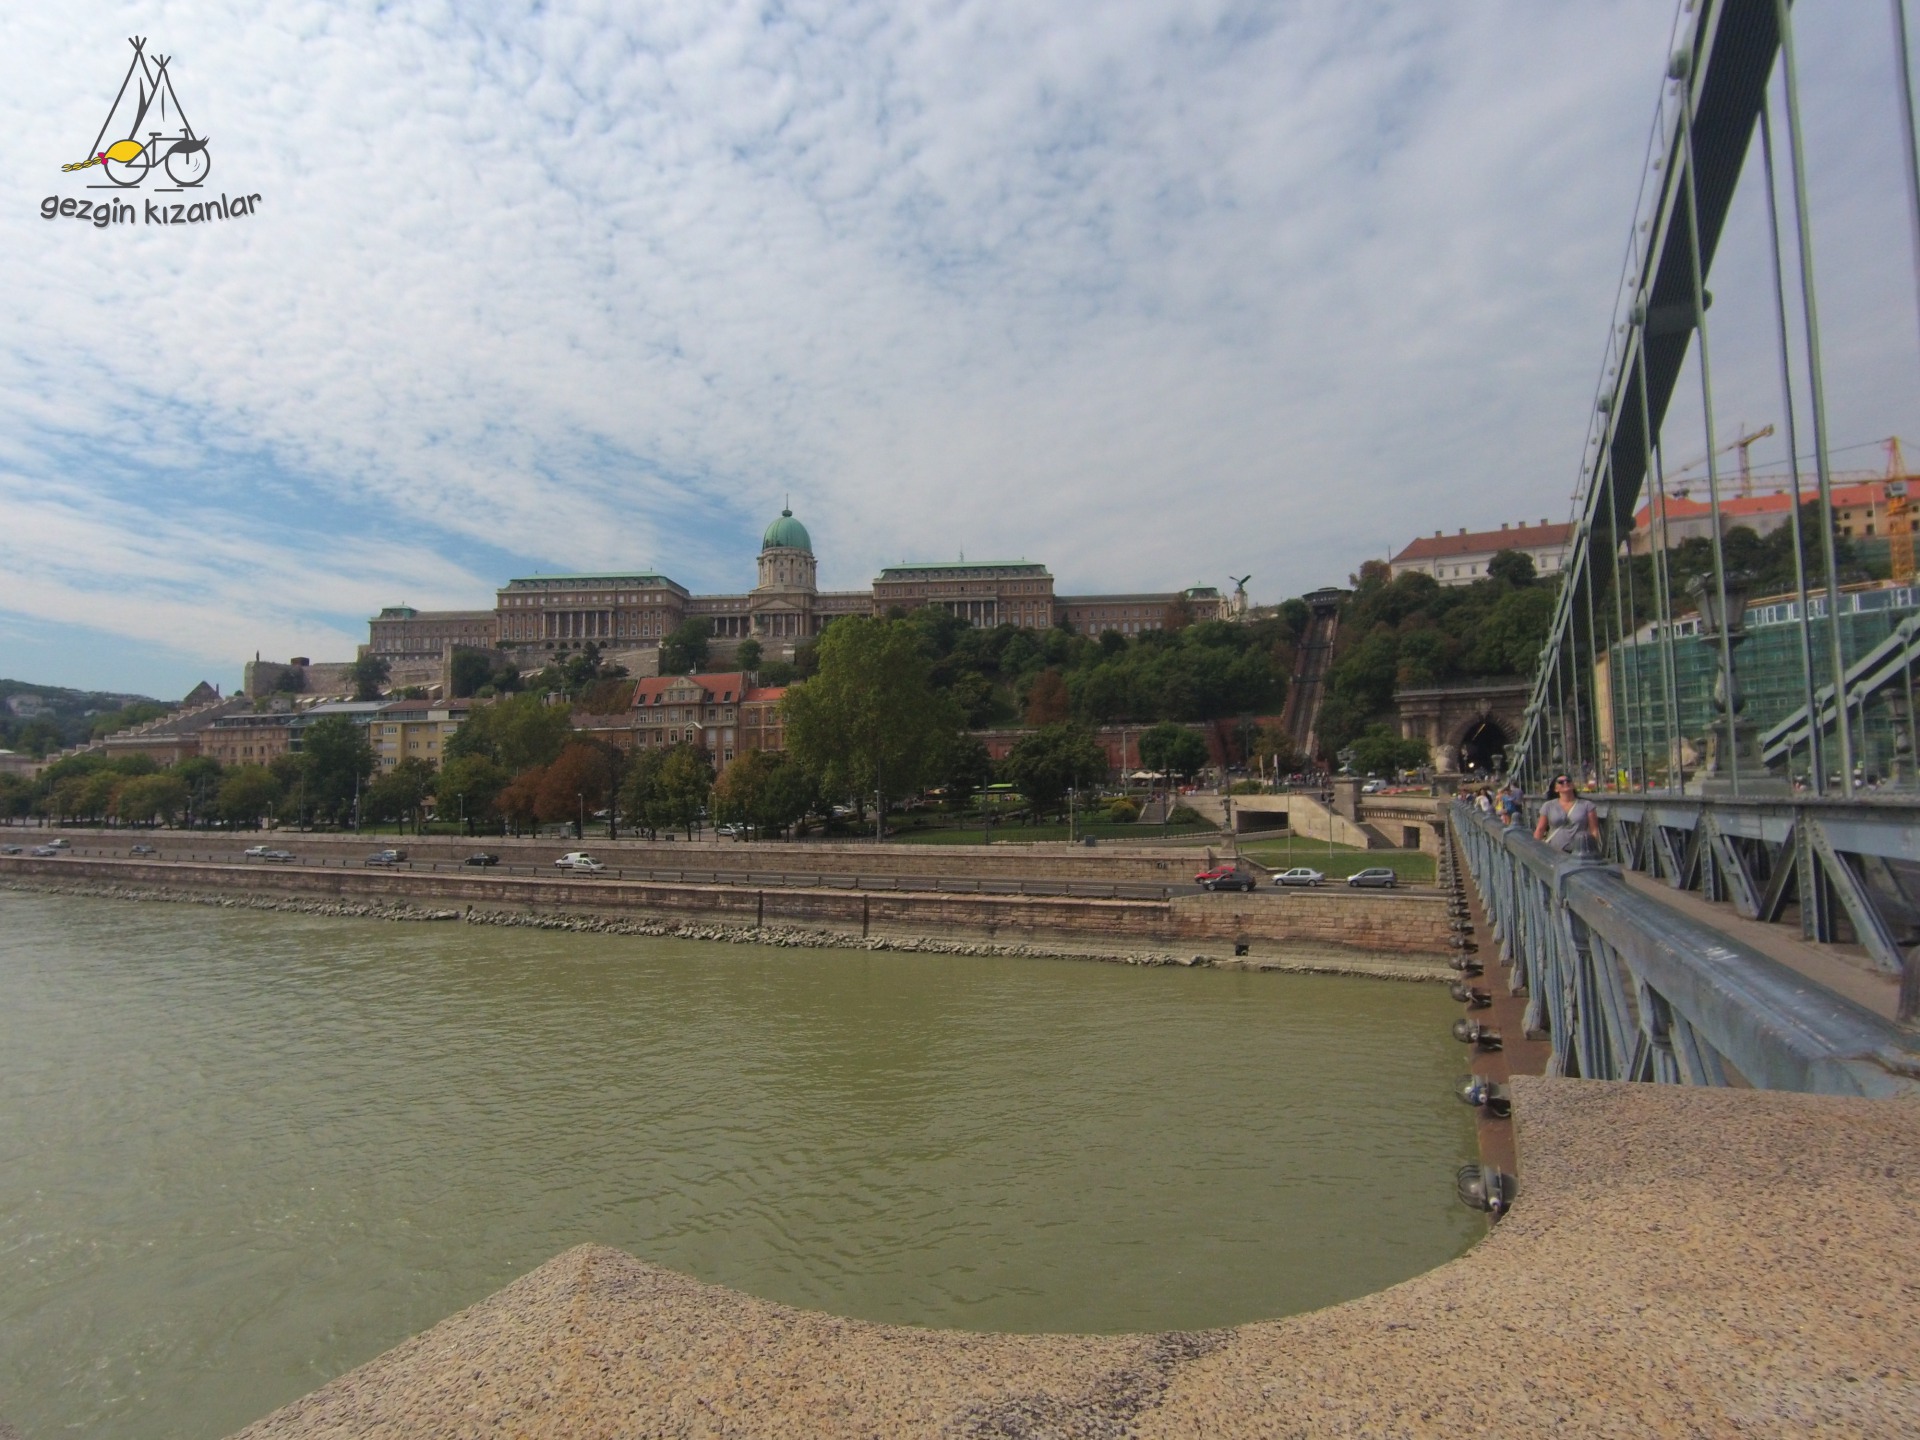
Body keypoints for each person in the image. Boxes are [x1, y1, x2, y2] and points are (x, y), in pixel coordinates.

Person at [1534, 774, 1600, 854]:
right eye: (1561, 782)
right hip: (1554, 851)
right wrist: (1535, 850)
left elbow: (1594, 830)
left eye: (1568, 781)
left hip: (1578, 853)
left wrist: (1593, 849)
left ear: (1572, 785)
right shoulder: (1548, 806)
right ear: (1556, 789)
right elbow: (1540, 829)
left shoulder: (1587, 805)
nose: (1565, 783)